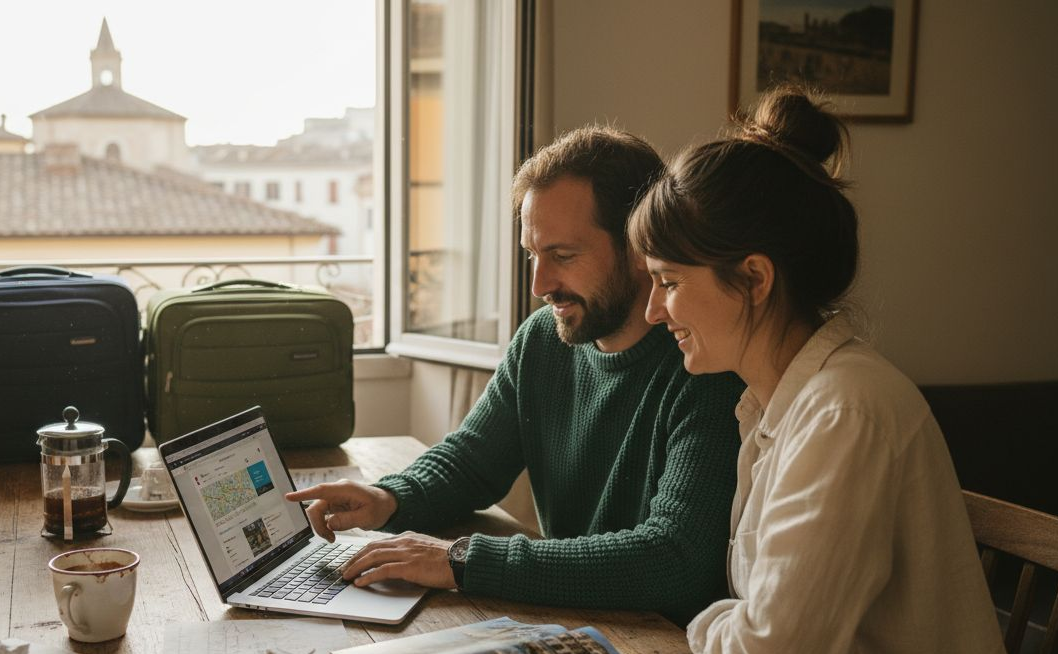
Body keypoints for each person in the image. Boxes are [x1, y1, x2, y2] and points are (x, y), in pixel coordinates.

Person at [630, 84, 1033, 654]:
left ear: (754, 278)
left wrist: (701, 621)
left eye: (667, 281)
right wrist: (741, 627)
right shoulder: (777, 404)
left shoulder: (846, 412)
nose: (652, 312)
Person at [285, 126, 744, 625]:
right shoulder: (544, 340)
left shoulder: (704, 364)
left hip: (669, 646)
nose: (540, 284)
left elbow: (672, 560)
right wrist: (388, 498)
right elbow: (473, 461)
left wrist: (459, 560)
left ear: (639, 248)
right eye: (533, 254)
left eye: (563, 256)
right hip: (574, 620)